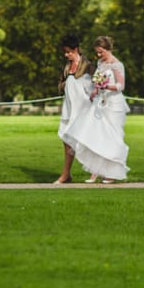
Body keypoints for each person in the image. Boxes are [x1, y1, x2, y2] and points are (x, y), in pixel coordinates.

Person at [66, 35, 130, 182]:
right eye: (97, 52)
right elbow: (97, 80)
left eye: (101, 52)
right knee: (97, 136)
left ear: (108, 49)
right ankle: (96, 171)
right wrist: (95, 90)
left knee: (112, 138)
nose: (99, 55)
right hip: (100, 103)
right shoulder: (100, 63)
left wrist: (106, 86)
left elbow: (121, 86)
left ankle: (111, 173)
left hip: (113, 104)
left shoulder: (117, 64)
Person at [54, 34, 92, 184]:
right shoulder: (67, 67)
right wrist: (66, 84)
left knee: (87, 140)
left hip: (83, 110)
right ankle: (66, 174)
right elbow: (60, 85)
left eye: (68, 51)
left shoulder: (87, 66)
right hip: (69, 108)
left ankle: (96, 172)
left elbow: (95, 87)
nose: (66, 54)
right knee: (66, 139)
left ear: (76, 49)